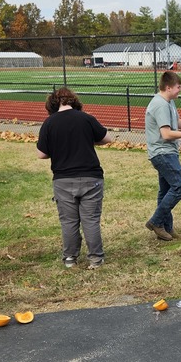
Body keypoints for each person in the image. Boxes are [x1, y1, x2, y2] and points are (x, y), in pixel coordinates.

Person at [37, 88, 114, 269]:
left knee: (69, 221)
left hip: (63, 179)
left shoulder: (49, 123)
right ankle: (96, 259)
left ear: (52, 104)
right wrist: (87, 140)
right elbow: (107, 138)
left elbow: (41, 154)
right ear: (74, 101)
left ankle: (70, 258)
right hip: (91, 176)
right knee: (91, 220)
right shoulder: (86, 118)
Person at [144, 70, 181, 241]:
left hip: (166, 152)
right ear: (168, 87)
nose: (180, 89)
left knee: (165, 191)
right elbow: (166, 134)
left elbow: (174, 121)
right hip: (163, 153)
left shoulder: (168, 102)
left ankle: (166, 228)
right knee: (179, 187)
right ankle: (155, 222)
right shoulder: (160, 104)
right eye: (178, 87)